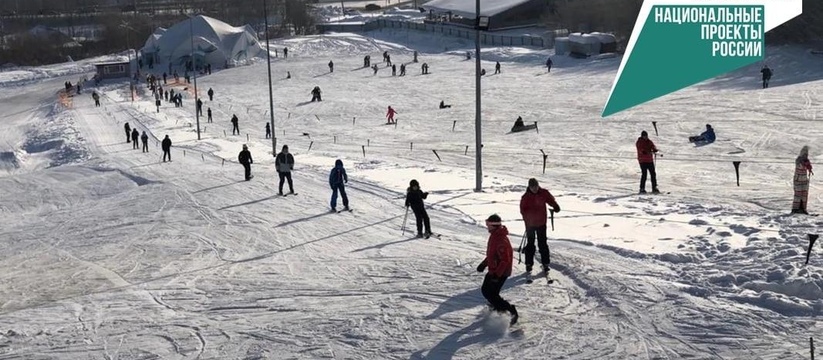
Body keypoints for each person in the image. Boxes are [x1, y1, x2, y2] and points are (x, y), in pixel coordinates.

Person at [475, 214, 518, 325]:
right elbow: (492, 255)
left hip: (501, 272)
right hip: (494, 269)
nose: (487, 226)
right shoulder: (495, 235)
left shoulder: (500, 239)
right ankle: (498, 307)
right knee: (487, 291)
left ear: (493, 225)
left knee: (491, 293)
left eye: (488, 224)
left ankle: (510, 310)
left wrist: (497, 275)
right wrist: (484, 264)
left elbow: (505, 260)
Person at [520, 178, 560, 277]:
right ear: (529, 187)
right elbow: (523, 210)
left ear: (538, 185)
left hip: (541, 223)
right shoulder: (525, 197)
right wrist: (528, 219)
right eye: (533, 187)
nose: (535, 189)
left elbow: (550, 200)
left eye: (536, 187)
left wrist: (555, 206)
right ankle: (529, 264)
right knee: (530, 244)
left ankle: (545, 263)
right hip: (530, 225)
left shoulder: (543, 193)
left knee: (543, 243)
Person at [792, 145, 814, 214]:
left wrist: (809, 168)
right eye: (804, 153)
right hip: (798, 179)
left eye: (806, 154)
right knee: (798, 195)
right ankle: (795, 209)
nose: (806, 155)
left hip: (804, 179)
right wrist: (805, 164)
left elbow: (808, 167)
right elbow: (800, 166)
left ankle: (803, 208)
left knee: (804, 194)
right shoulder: (798, 160)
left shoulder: (806, 160)